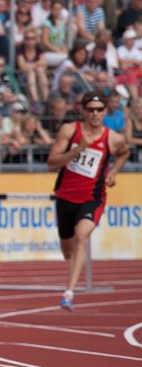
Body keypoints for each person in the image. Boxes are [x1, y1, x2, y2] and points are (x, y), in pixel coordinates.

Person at [46, 91, 129, 312]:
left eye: (99, 110)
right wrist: (79, 148)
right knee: (68, 251)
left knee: (81, 237)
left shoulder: (113, 138)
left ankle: (69, 293)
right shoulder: (70, 130)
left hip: (93, 198)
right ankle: (71, 279)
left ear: (104, 112)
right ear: (84, 111)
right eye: (90, 109)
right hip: (65, 197)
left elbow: (124, 152)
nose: (95, 114)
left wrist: (113, 173)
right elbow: (52, 163)